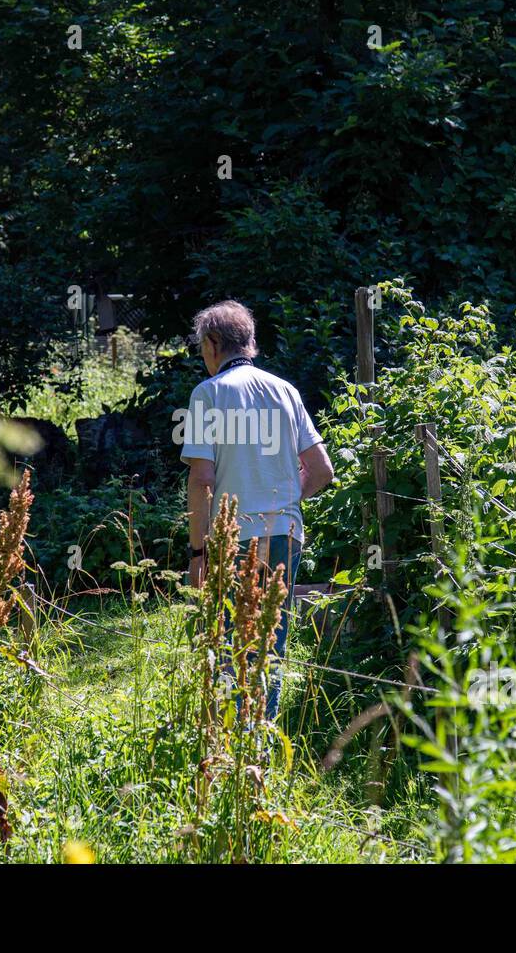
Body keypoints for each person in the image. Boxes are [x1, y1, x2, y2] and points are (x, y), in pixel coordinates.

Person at [178, 299, 334, 719]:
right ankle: (260, 749)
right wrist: (282, 499)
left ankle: (231, 746)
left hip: (233, 539)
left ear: (212, 344)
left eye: (201, 348)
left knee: (228, 642)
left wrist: (198, 553)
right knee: (269, 642)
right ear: (248, 343)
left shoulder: (207, 394)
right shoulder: (285, 391)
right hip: (283, 534)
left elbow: (202, 481)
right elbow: (321, 471)